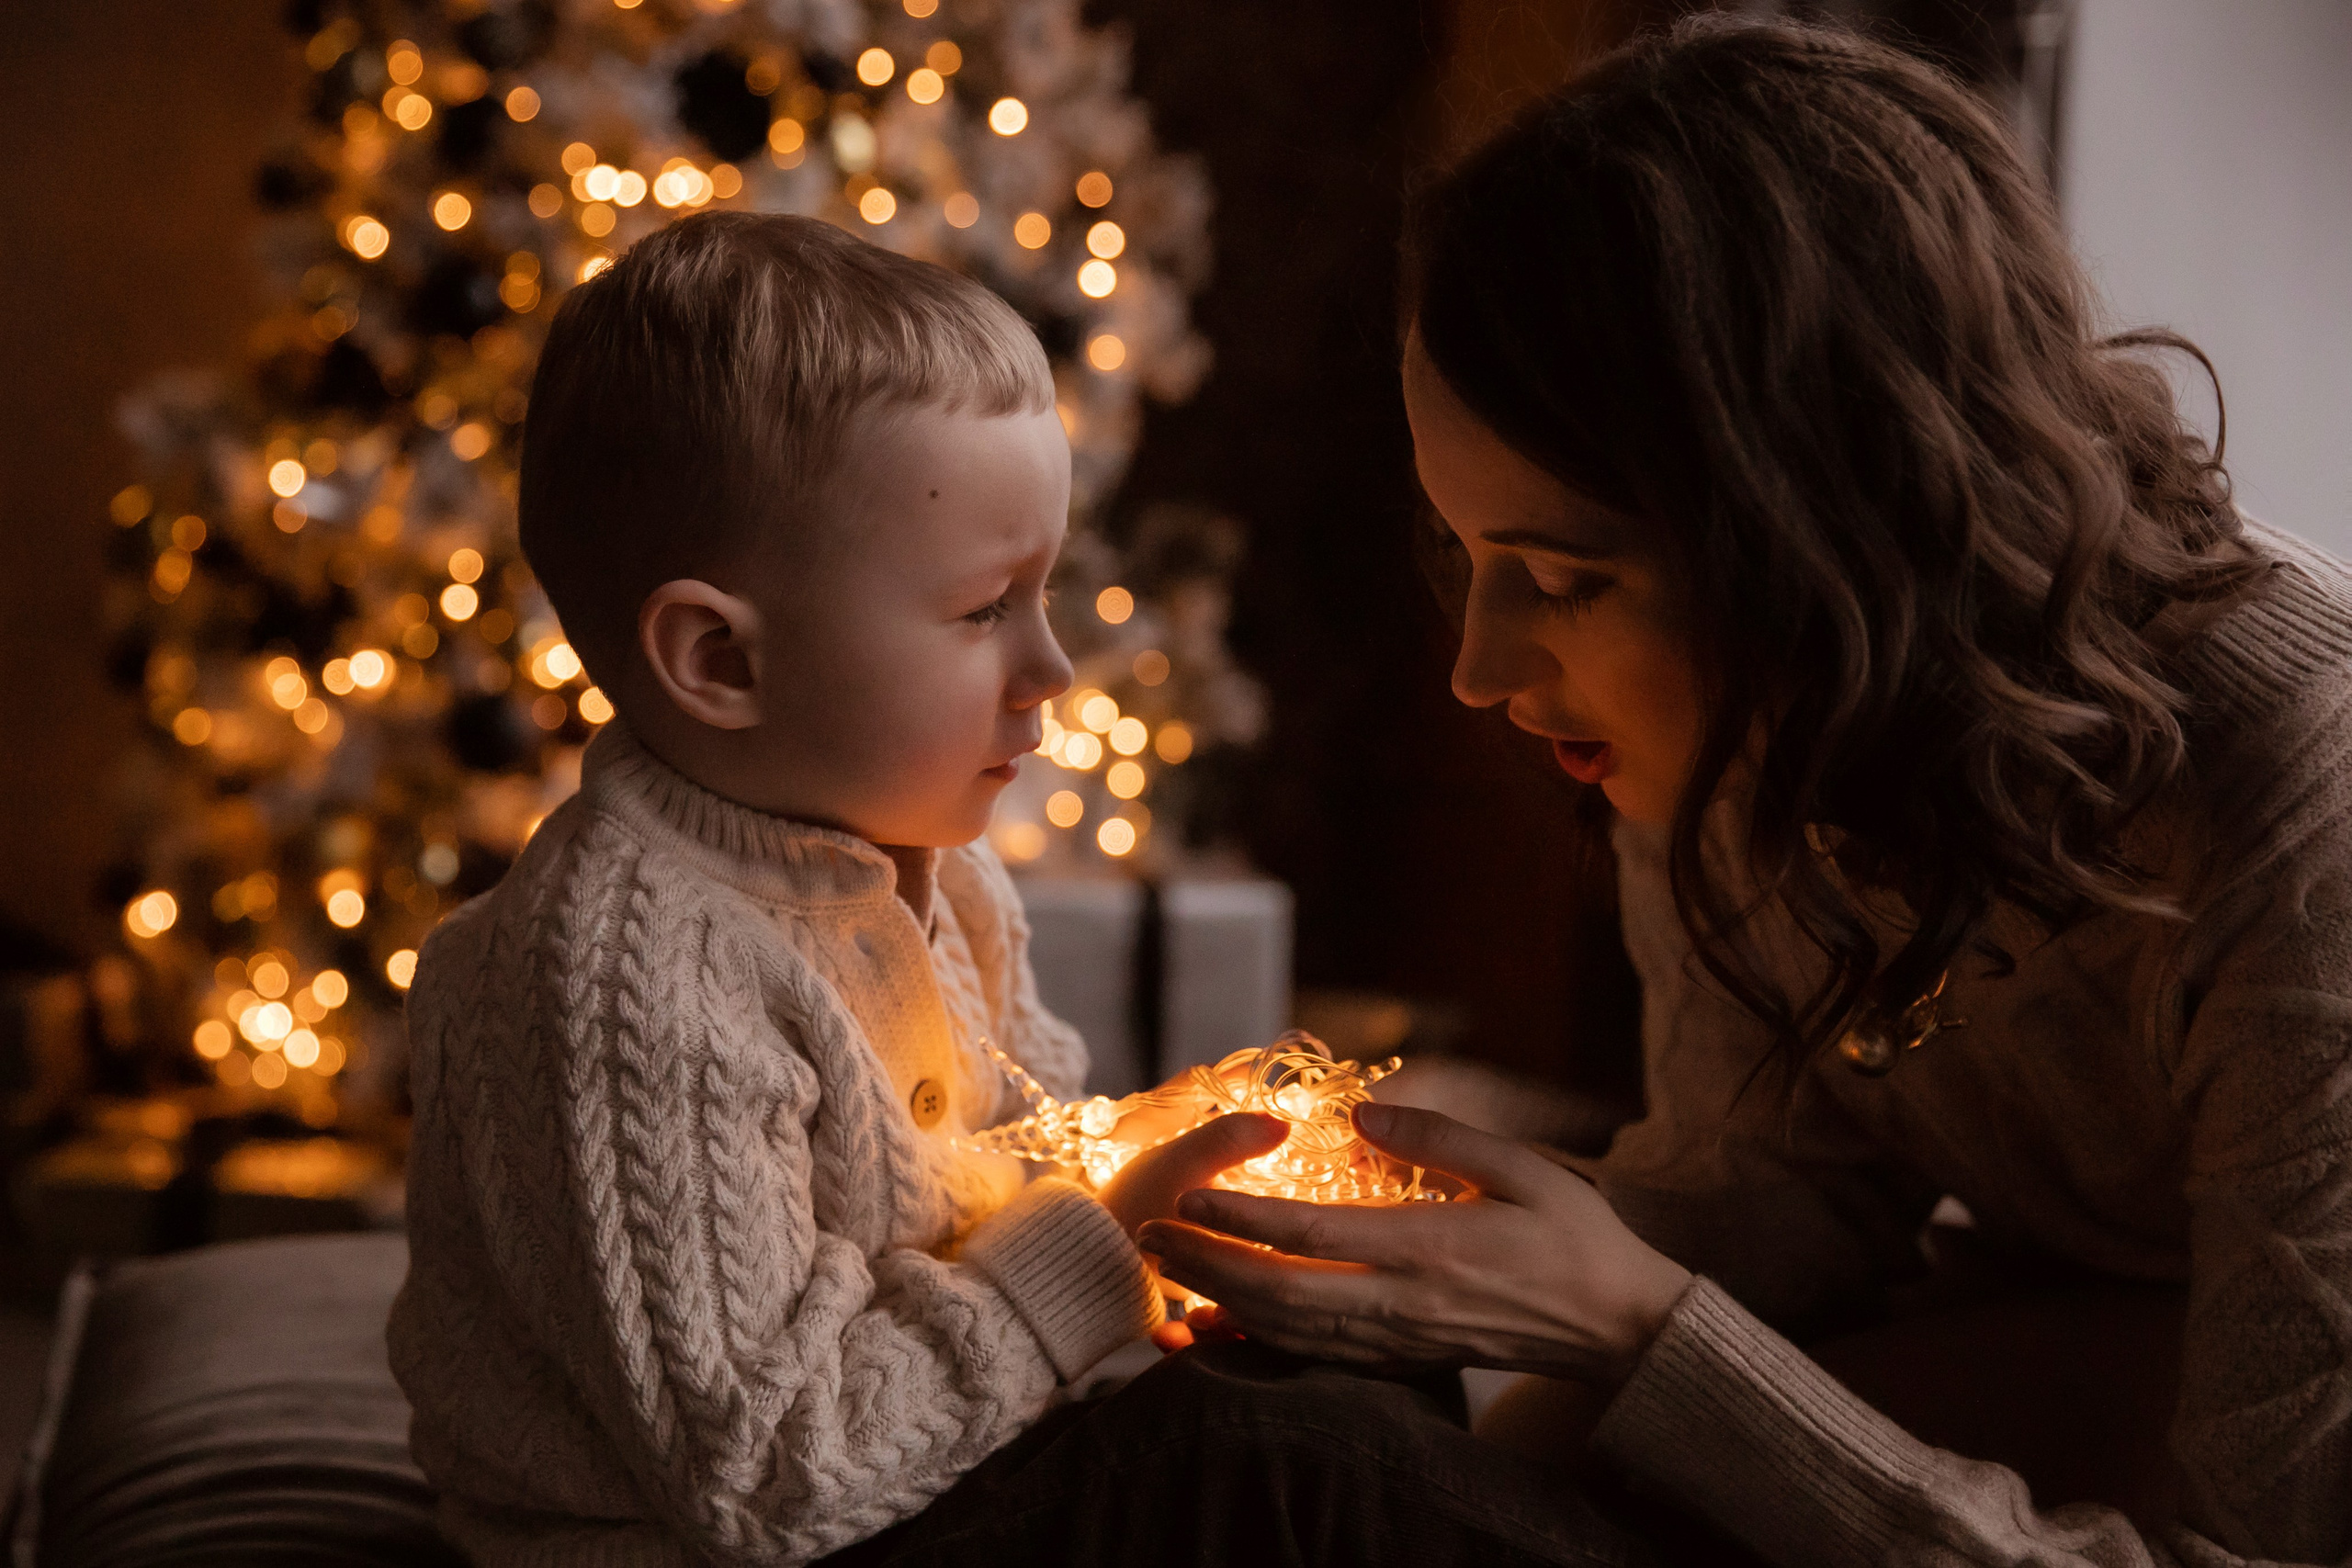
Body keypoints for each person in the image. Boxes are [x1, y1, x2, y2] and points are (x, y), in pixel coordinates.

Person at [825, 17, 2352, 1568]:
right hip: (2065, 1315)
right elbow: (1777, 1203)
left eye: (1560, 576)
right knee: (1345, 1432)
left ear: (1828, 537)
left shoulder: (2303, 797)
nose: (1480, 672)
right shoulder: (1756, 722)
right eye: (1469, 557)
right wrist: (1370, 1198)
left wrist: (1636, 1322)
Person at [386, 212, 1285, 1567]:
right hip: (732, 1544)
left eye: (1048, 595)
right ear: (722, 663)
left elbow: (1024, 1159)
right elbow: (764, 1479)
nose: (1050, 669)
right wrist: (1091, 1260)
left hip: (947, 1461)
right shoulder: (630, 976)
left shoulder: (944, 871)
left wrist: (1165, 1201)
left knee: (1336, 1375)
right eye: (986, 609)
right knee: (1312, 1474)